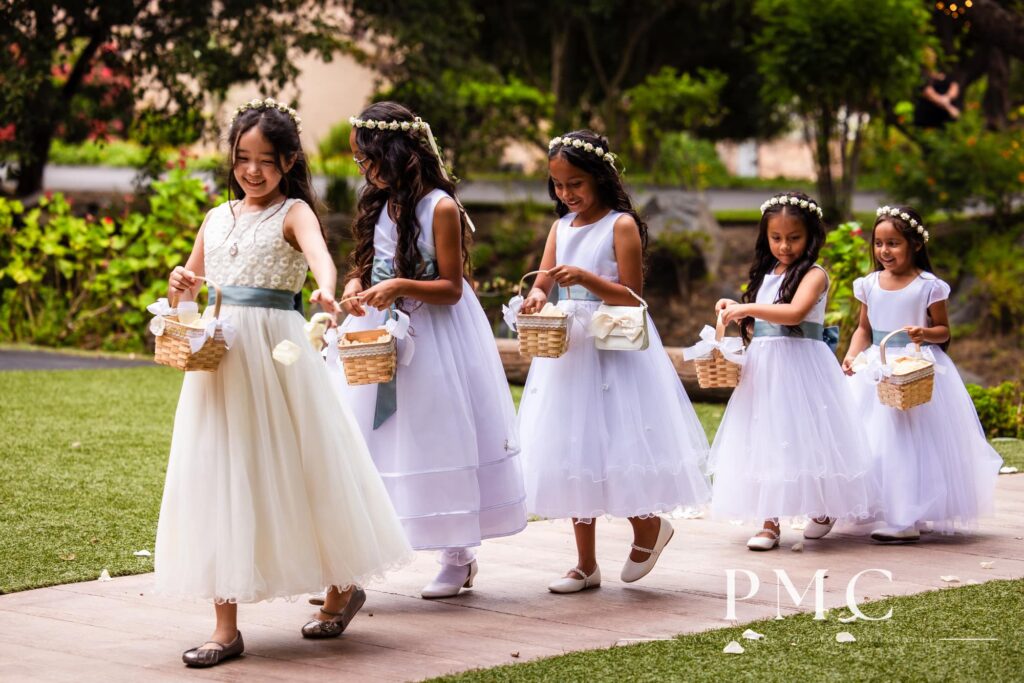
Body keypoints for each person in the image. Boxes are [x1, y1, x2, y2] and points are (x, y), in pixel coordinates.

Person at [155, 98, 411, 668]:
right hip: (221, 363)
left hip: (277, 355)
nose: (251, 171)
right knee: (220, 472)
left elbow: (321, 257)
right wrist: (179, 283)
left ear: (289, 160)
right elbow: (190, 287)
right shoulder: (216, 218)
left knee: (304, 466)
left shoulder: (293, 212)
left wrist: (325, 289)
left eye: (265, 161)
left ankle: (342, 583)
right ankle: (225, 627)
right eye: (242, 159)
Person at [331, 101, 527, 599]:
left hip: (435, 334)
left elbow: (452, 287)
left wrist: (399, 285)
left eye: (366, 159)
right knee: (367, 439)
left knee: (438, 436)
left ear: (394, 152)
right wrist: (357, 282)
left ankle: (457, 556)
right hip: (379, 329)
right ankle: (353, 562)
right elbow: (367, 261)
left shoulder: (439, 206)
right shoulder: (380, 201)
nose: (362, 169)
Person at [514, 131, 711, 593]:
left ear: (600, 178)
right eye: (559, 186)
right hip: (568, 348)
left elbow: (632, 296)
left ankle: (648, 527)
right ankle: (585, 562)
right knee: (572, 446)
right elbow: (542, 279)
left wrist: (586, 278)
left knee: (618, 438)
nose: (567, 194)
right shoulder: (560, 227)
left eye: (576, 184)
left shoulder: (620, 225)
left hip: (612, 344)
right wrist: (537, 294)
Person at [710, 193, 878, 550]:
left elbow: (794, 313)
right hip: (766, 365)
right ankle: (770, 522)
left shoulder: (815, 274)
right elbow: (764, 325)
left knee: (807, 434)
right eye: (776, 238)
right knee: (765, 436)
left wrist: (746, 308)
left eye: (794, 238)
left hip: (803, 366)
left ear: (811, 237)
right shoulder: (767, 274)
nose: (784, 246)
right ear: (765, 237)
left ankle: (823, 506)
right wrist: (735, 309)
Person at [842, 205, 1002, 542]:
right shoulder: (869, 284)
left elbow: (943, 330)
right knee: (875, 440)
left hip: (915, 368)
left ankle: (906, 518)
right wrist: (852, 356)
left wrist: (924, 333)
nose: (884, 251)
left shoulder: (929, 286)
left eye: (894, 244)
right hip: (878, 365)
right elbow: (863, 329)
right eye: (879, 243)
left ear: (915, 244)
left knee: (913, 443)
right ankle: (887, 508)